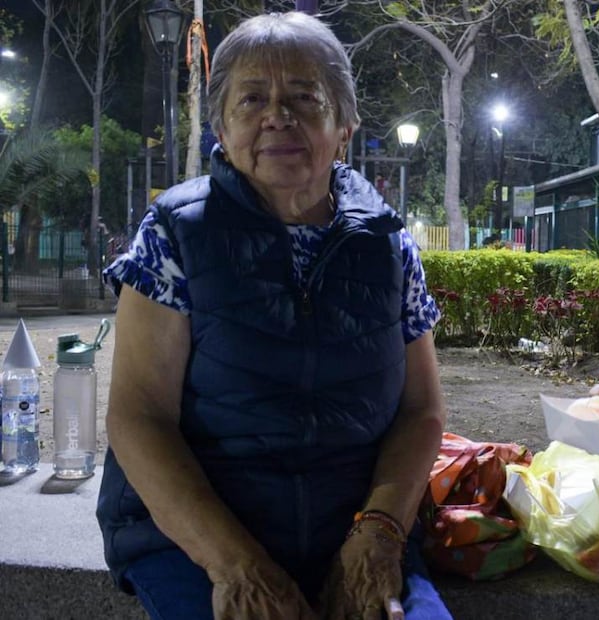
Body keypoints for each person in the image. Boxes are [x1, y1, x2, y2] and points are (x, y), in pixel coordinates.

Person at [96, 12, 451, 620]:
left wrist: (380, 532)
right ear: (221, 128)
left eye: (305, 98)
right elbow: (138, 417)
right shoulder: (175, 234)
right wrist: (237, 567)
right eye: (252, 98)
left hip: (354, 532)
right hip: (201, 541)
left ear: (344, 126)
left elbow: (421, 412)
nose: (277, 117)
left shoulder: (388, 244)